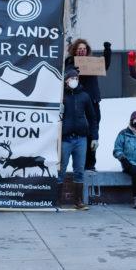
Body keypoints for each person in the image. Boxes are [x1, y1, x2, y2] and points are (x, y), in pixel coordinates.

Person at [65, 39, 112, 171]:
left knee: (93, 132)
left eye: (84, 49)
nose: (82, 51)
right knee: (80, 132)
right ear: (75, 50)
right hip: (76, 103)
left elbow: (105, 65)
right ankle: (79, 163)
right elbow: (67, 74)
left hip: (93, 102)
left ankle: (90, 164)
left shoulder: (93, 63)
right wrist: (73, 69)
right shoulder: (70, 62)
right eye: (79, 49)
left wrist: (107, 51)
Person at [58, 68, 98, 210]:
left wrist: (94, 137)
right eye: (71, 78)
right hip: (65, 139)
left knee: (79, 170)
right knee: (61, 169)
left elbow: (93, 118)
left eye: (76, 78)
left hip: (81, 139)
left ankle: (78, 201)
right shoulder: (60, 96)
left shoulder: (84, 96)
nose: (74, 80)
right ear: (66, 81)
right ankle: (56, 200)